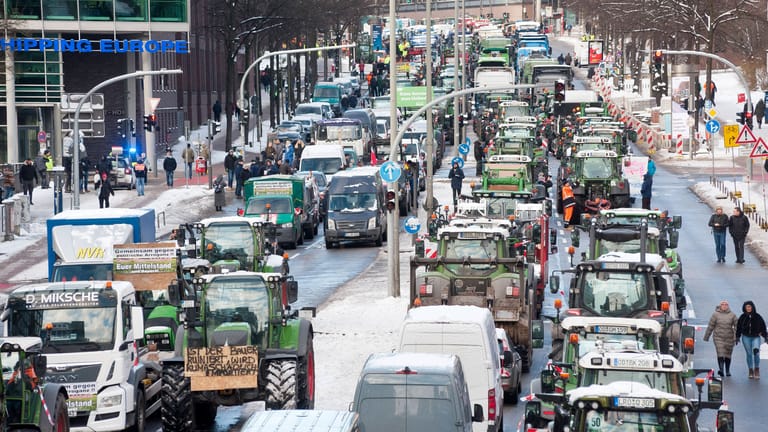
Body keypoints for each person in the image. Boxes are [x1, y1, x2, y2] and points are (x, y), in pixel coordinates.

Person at [703, 300, 738, 376]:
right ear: (720, 306)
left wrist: (735, 337)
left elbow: (737, 326)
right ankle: (721, 370)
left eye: (726, 304)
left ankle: (727, 370)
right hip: (718, 337)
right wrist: (706, 337)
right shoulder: (715, 315)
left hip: (729, 337)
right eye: (723, 304)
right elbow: (711, 326)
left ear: (728, 306)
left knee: (728, 355)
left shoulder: (732, 315)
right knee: (720, 353)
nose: (724, 306)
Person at [736, 300, 768, 379]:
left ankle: (757, 369)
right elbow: (739, 328)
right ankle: (750, 369)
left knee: (756, 352)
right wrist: (737, 337)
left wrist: (766, 337)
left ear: (752, 307)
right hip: (746, 337)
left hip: (756, 337)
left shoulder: (758, 316)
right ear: (744, 308)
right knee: (749, 354)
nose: (748, 308)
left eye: (750, 306)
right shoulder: (742, 317)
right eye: (747, 307)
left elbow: (763, 327)